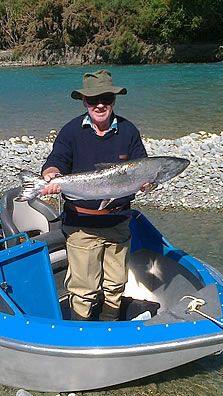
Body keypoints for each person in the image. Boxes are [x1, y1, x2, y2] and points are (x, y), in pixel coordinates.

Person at [40, 69, 148, 321]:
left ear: (114, 100)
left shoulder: (128, 130)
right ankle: (81, 330)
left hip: (118, 222)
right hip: (81, 225)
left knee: (116, 286)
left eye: (106, 99)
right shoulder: (71, 131)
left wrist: (147, 184)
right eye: (93, 100)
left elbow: (142, 165)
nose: (100, 105)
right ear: (84, 102)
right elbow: (56, 161)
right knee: (84, 290)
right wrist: (51, 176)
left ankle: (110, 323)